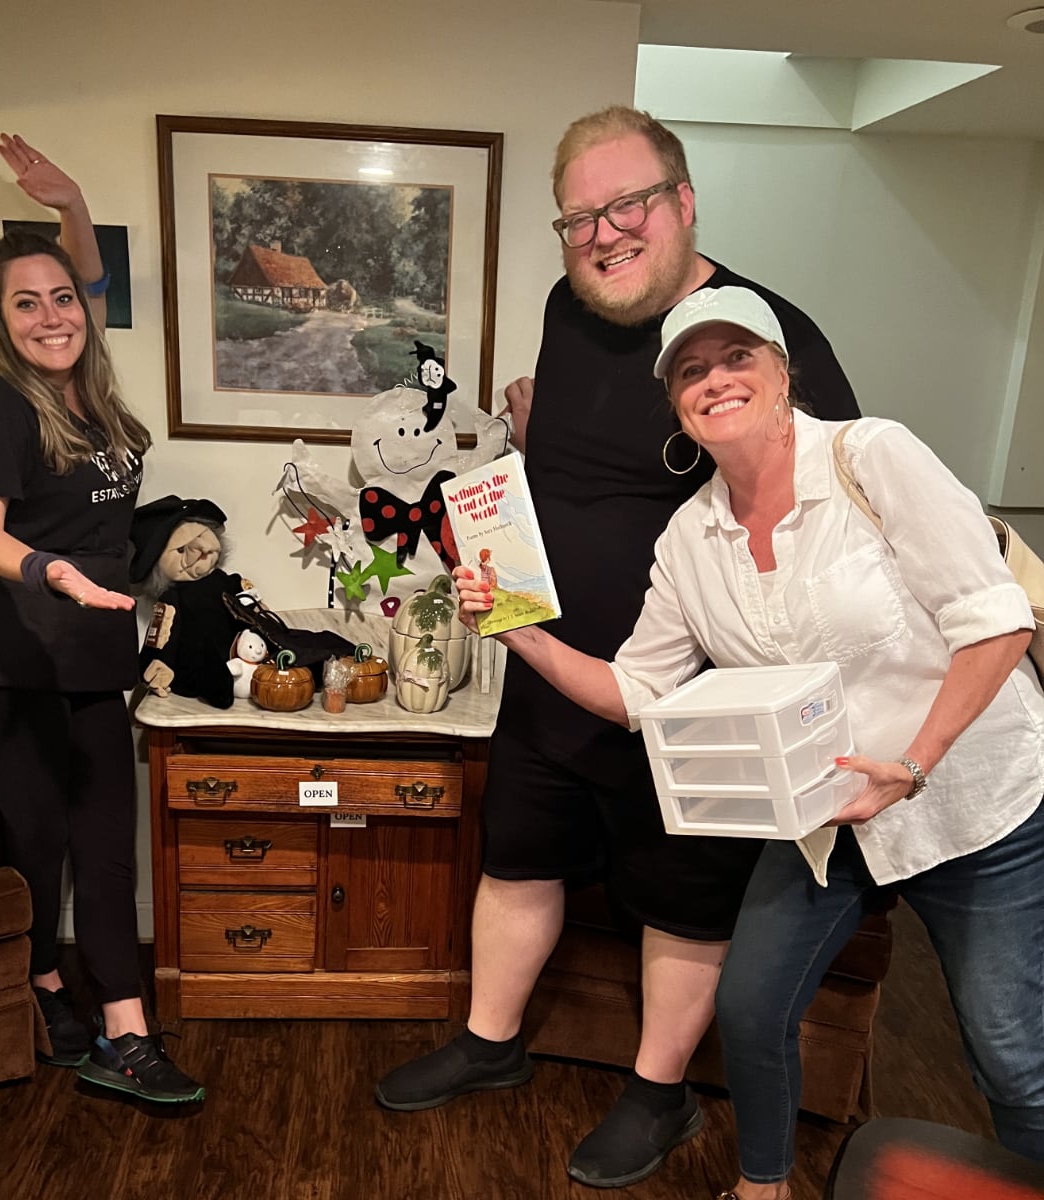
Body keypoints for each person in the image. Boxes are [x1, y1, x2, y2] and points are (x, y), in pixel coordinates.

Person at [453, 284, 1044, 1200]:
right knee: (752, 1002)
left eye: (738, 359)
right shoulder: (692, 537)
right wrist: (518, 630)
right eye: (692, 370)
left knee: (1010, 1052)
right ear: (675, 402)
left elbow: (996, 624)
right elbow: (639, 690)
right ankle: (762, 1187)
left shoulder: (872, 457)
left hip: (977, 807)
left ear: (782, 373)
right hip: (825, 821)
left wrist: (914, 763)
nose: (716, 381)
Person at [375, 106, 860, 1189]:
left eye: (628, 205)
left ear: (684, 204)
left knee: (680, 895)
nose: (603, 233)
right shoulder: (568, 306)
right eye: (580, 216)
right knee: (518, 857)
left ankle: (659, 1096)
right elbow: (574, 461)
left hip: (689, 696)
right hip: (549, 664)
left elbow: (828, 504)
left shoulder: (769, 337)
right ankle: (491, 1044)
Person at [0, 134, 204, 1104]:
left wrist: (74, 204)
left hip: (86, 647)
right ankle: (47, 985)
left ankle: (125, 1030)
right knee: (39, 837)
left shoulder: (83, 386)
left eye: (61, 298)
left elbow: (85, 273)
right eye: (25, 302)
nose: (52, 313)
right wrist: (60, 574)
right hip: (2, 655)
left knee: (106, 840)